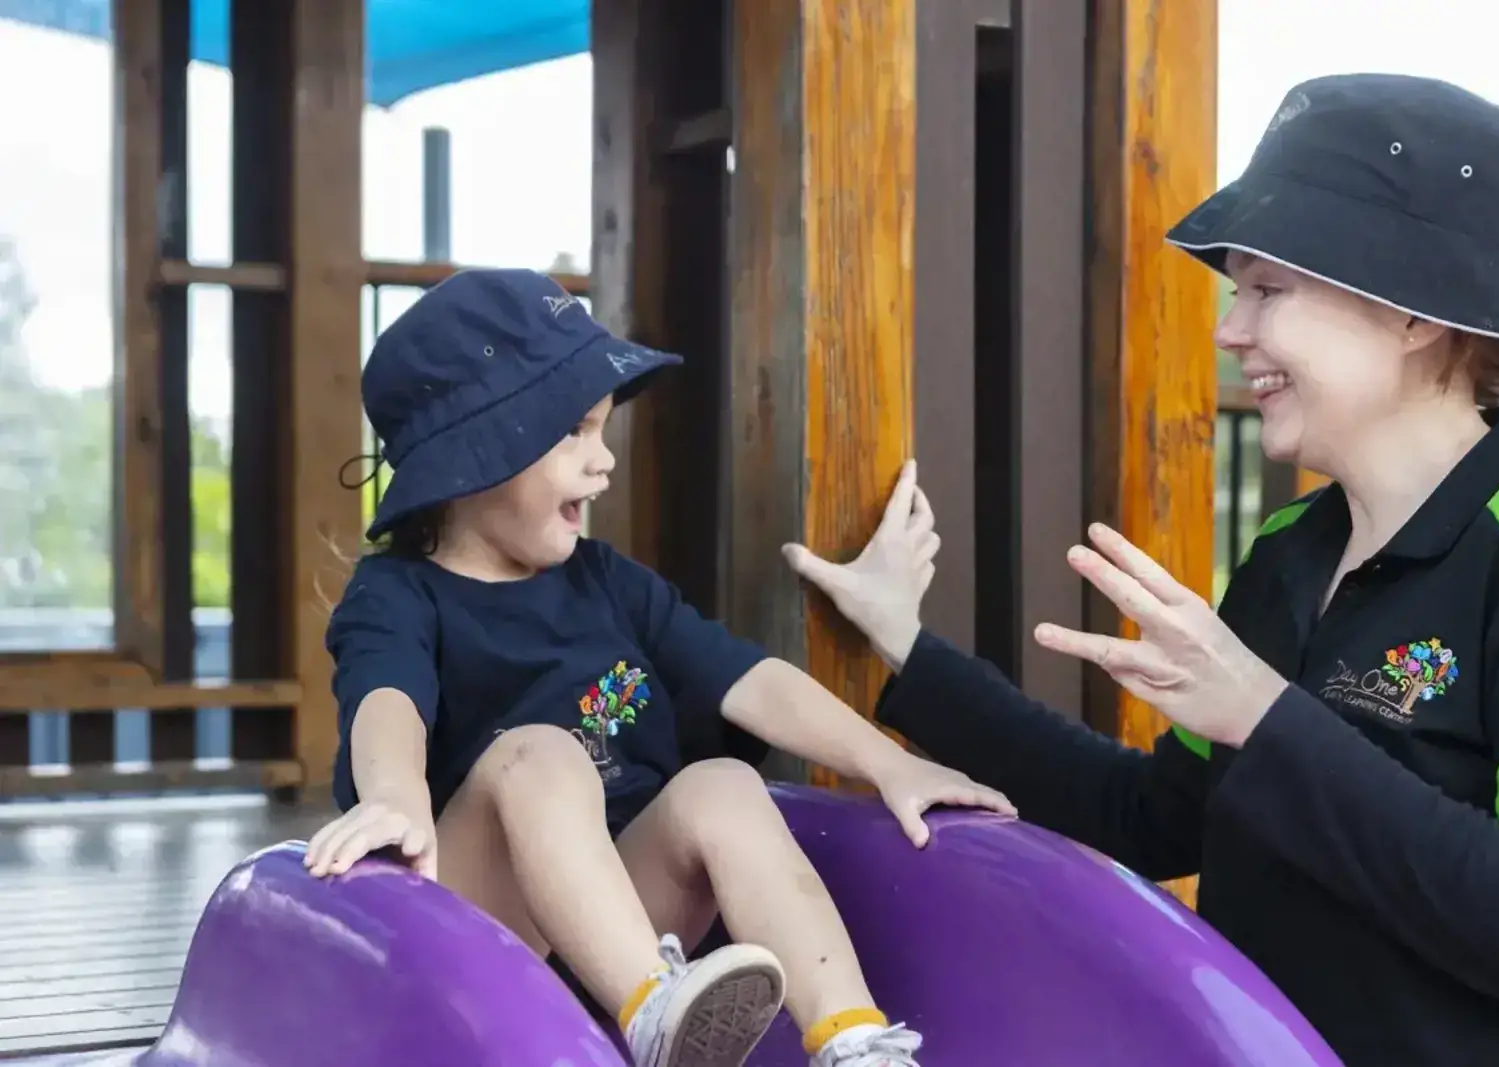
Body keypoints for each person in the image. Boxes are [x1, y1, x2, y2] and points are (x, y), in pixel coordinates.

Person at [783, 73, 1499, 1067]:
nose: (1230, 329)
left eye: (1269, 289)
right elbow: (1154, 818)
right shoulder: (1295, 550)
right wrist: (903, 639)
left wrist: (1267, 714)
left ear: (1413, 313)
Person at [300, 268, 1014, 1067]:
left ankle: (854, 1043)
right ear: (482, 450)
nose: (602, 460)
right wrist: (393, 795)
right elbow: (386, 696)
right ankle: (653, 1010)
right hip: (470, 944)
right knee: (536, 753)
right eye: (574, 430)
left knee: (721, 783)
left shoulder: (607, 582)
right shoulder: (399, 593)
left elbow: (753, 680)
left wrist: (889, 763)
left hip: (622, 926)